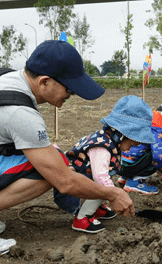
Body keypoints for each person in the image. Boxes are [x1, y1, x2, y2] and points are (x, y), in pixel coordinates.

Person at [0, 40, 136, 257]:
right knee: (50, 171)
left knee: (50, 156)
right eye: (68, 89)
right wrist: (112, 193)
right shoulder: (20, 113)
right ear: (44, 82)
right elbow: (64, 182)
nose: (70, 96)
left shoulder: (5, 78)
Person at [53, 95, 155, 234]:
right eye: (131, 144)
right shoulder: (102, 147)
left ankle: (94, 207)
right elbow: (99, 177)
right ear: (123, 135)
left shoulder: (106, 138)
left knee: (105, 184)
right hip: (70, 191)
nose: (129, 149)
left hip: (79, 182)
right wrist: (114, 196)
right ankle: (82, 218)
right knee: (104, 185)